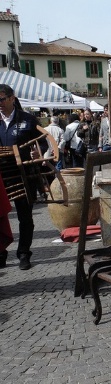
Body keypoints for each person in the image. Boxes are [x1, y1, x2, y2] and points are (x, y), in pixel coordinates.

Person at [0, 84, 49, 270]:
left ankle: (23, 253)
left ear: (12, 98)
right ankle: (1, 253)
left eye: (2, 99)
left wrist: (38, 154)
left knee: (25, 216)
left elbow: (43, 144)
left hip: (24, 175)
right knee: (0, 216)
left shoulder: (28, 120)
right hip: (1, 176)